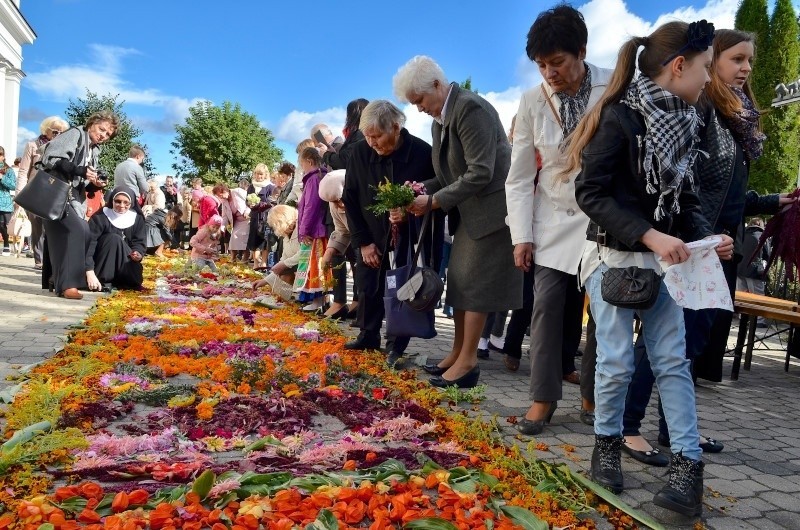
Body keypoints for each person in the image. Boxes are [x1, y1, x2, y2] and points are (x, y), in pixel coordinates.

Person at [569, 20, 734, 516]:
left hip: (668, 265)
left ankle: (688, 467)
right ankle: (606, 446)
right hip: (615, 260)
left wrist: (707, 236)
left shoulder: (689, 120)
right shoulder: (619, 119)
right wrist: (648, 234)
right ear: (679, 66)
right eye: (705, 68)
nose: (709, 79)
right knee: (617, 361)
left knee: (672, 362)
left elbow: (683, 197)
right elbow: (590, 193)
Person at [505, 4, 613, 435]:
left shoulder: (615, 85)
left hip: (603, 220)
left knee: (606, 313)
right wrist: (521, 236)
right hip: (551, 220)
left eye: (558, 62)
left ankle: (593, 395)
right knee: (546, 308)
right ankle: (542, 398)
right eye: (541, 65)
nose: (549, 73)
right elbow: (519, 176)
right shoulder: (532, 100)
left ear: (582, 52)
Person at [394, 56, 522, 387]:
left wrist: (433, 201)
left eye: (419, 100)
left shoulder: (470, 109)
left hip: (494, 213)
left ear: (437, 85)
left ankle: (467, 363)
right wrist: (419, 192)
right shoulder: (442, 120)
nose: (419, 108)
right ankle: (456, 353)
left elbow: (481, 171)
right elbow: (446, 175)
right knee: (462, 284)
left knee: (475, 286)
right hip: (471, 213)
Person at [342, 99, 438, 364]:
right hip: (370, 234)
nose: (373, 143)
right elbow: (350, 198)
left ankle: (396, 344)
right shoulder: (360, 152)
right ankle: (367, 335)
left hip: (406, 238)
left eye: (377, 136)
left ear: (395, 127)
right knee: (368, 286)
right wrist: (363, 242)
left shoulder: (421, 153)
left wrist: (410, 210)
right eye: (368, 137)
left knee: (402, 289)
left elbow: (435, 193)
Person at [39, 110, 118, 300]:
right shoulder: (75, 134)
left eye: (108, 134)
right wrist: (82, 171)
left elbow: (83, 181)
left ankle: (56, 278)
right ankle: (68, 284)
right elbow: (52, 158)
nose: (103, 135)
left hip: (71, 197)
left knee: (74, 232)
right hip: (55, 193)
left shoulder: (94, 149)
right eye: (102, 129)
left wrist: (95, 183)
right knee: (78, 230)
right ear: (92, 124)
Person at [16, 116, 69, 268]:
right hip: (34, 191)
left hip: (54, 192)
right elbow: (24, 170)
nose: (58, 134)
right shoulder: (33, 145)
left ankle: (50, 260)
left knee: (51, 226)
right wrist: (20, 192)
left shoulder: (64, 148)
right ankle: (39, 260)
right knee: (37, 226)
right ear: (46, 130)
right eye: (54, 131)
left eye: (61, 132)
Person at [85, 186, 146, 292]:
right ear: (112, 200)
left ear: (131, 203)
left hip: (126, 263)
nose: (122, 206)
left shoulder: (137, 218)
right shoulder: (100, 217)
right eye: (118, 201)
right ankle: (105, 280)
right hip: (102, 264)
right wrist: (89, 271)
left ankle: (123, 280)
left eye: (126, 202)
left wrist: (138, 253)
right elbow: (89, 245)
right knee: (113, 239)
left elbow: (139, 241)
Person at [318, 169, 359, 320]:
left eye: (339, 199)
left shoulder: (361, 195)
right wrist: (330, 250)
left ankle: (362, 306)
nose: (338, 205)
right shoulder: (333, 203)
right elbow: (341, 229)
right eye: (333, 202)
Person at [294, 147, 331, 312]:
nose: (302, 168)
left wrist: (303, 230)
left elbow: (311, 207)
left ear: (309, 161)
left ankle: (319, 302)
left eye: (302, 164)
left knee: (316, 265)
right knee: (318, 265)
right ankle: (321, 301)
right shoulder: (319, 177)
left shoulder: (314, 179)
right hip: (318, 229)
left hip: (315, 230)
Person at [252, 204, 301, 288]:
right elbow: (284, 260)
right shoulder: (287, 234)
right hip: (299, 270)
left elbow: (305, 253)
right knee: (283, 273)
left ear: (281, 222)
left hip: (309, 271)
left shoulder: (300, 230)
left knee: (285, 274)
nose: (274, 229)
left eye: (274, 226)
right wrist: (265, 281)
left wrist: (284, 264)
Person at [317, 98, 369, 170]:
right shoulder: (366, 133)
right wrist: (333, 153)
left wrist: (326, 155)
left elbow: (346, 161)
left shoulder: (360, 134)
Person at [246, 164, 276, 270]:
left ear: (265, 174)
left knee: (265, 240)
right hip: (254, 217)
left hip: (266, 216)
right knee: (254, 239)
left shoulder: (270, 186)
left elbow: (271, 201)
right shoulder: (251, 186)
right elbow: (247, 200)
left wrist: (259, 205)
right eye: (257, 174)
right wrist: (250, 204)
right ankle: (255, 263)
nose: (259, 176)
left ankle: (263, 263)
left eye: (261, 174)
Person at [0, 147, 17, 256]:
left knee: (3, 226)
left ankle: (6, 245)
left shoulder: (8, 170)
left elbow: (13, 185)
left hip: (4, 203)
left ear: (3, 156)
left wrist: (2, 177)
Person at [229, 182, 251, 262]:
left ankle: (245, 257)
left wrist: (247, 211)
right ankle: (233, 257)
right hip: (237, 221)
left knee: (243, 239)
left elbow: (249, 202)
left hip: (246, 219)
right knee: (233, 238)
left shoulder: (240, 193)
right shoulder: (227, 199)